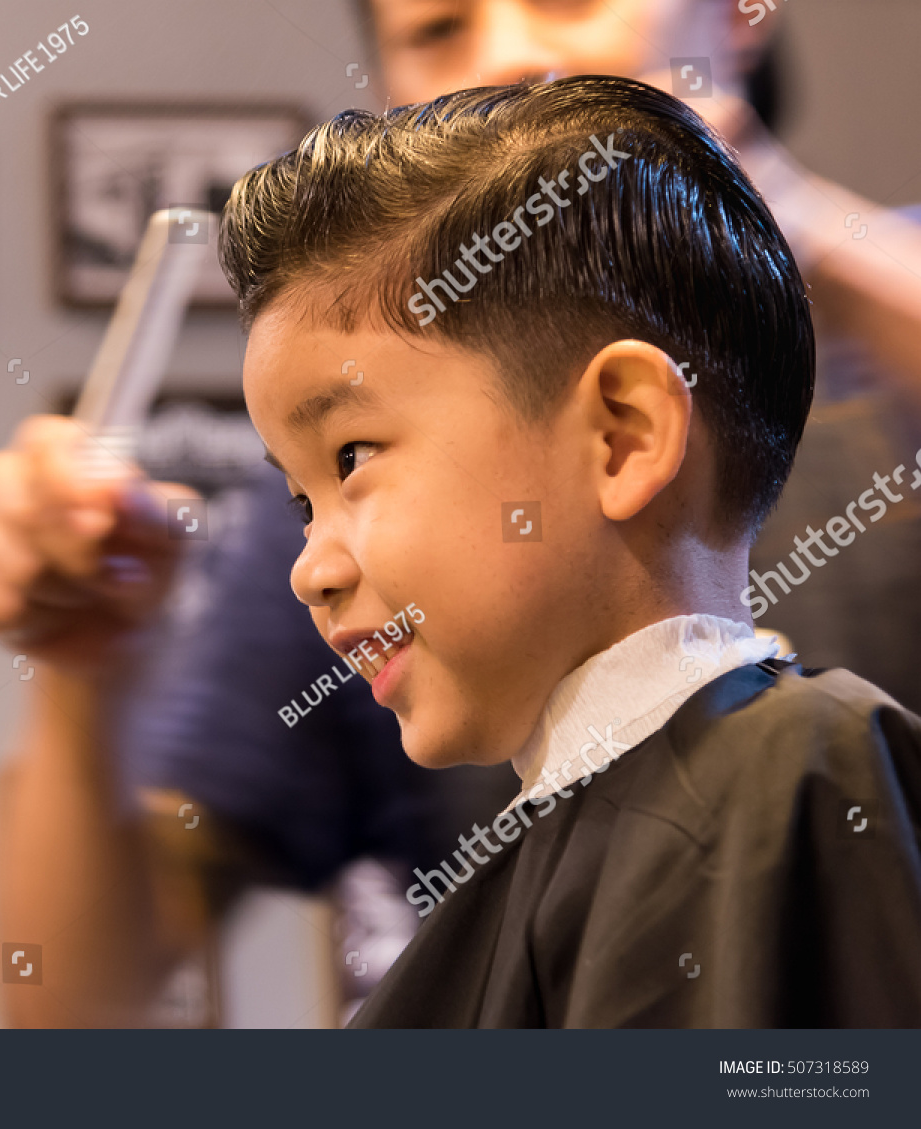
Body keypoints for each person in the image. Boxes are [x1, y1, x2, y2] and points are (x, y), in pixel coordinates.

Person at [0, 0, 921, 1027]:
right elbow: (67, 1010)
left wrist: (785, 230)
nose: (509, 56)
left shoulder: (796, 767)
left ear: (625, 432)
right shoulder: (369, 550)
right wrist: (81, 663)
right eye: (440, 29)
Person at [217, 75, 921, 1026]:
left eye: (353, 457)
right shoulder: (519, 874)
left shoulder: (789, 774)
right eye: (303, 501)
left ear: (621, 435)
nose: (312, 567)